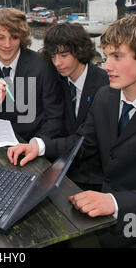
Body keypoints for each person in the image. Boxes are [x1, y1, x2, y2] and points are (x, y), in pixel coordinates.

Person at [7, 14, 136, 247]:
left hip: (135, 230)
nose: (107, 65)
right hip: (95, 219)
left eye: (117, 56)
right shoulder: (106, 97)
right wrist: (39, 146)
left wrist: (114, 202)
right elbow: (83, 143)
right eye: (107, 55)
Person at [0, 7, 64, 141]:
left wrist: (35, 145)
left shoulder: (42, 65)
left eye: (14, 37)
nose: (7, 45)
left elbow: (55, 117)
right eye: (1, 38)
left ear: (22, 37)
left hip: (34, 142)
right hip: (0, 145)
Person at [41, 22, 109, 190]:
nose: (57, 63)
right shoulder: (59, 80)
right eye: (53, 56)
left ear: (79, 50)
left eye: (63, 55)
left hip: (96, 178)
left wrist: (40, 146)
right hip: (66, 169)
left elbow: (88, 142)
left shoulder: (105, 86)